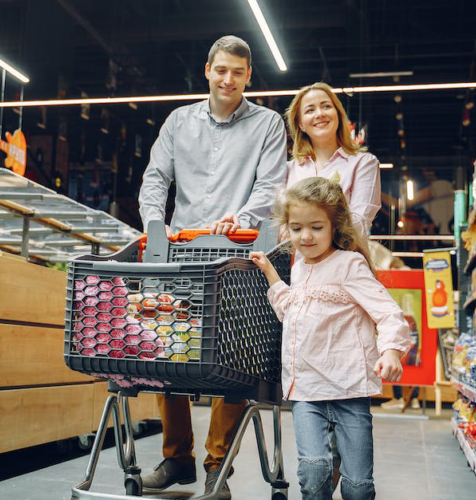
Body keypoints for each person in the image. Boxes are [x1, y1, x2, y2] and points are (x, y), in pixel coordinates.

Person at [138, 35, 287, 498]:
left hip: (238, 255)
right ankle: (176, 458)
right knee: (171, 353)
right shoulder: (178, 121)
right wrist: (153, 226)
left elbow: (270, 186)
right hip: (180, 254)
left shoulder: (267, 124)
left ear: (248, 76)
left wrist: (241, 219)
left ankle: (216, 468)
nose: (228, 80)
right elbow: (156, 176)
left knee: (235, 361)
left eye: (238, 73)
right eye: (221, 70)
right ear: (207, 69)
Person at [250, 177, 411, 500]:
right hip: (306, 387)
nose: (305, 236)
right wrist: (271, 274)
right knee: (313, 471)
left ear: (334, 226)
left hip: (349, 387)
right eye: (296, 228)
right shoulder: (297, 268)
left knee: (357, 486)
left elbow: (388, 313)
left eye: (316, 227)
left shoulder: (349, 264)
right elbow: (291, 311)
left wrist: (391, 351)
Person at [212, 81, 381, 238]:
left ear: (338, 114)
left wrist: (301, 232)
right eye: (310, 110)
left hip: (342, 263)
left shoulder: (364, 163)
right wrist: (239, 220)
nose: (320, 114)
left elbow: (359, 222)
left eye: (326, 106)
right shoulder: (286, 170)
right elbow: (270, 217)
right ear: (300, 124)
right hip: (292, 266)